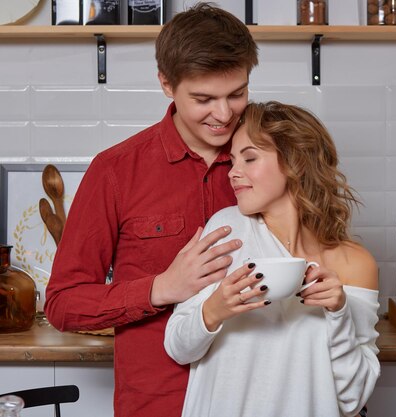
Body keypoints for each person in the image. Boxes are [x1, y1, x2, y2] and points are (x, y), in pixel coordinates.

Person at [43, 4, 258, 417]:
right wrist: (160, 288)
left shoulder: (275, 158)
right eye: (203, 99)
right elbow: (63, 304)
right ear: (166, 84)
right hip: (160, 404)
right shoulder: (115, 171)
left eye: (237, 93)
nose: (224, 113)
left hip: (257, 400)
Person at [164, 101, 381, 417]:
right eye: (233, 160)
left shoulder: (354, 265)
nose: (233, 173)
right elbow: (179, 348)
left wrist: (339, 312)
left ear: (296, 164)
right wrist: (214, 309)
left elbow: (352, 398)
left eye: (250, 158)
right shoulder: (226, 231)